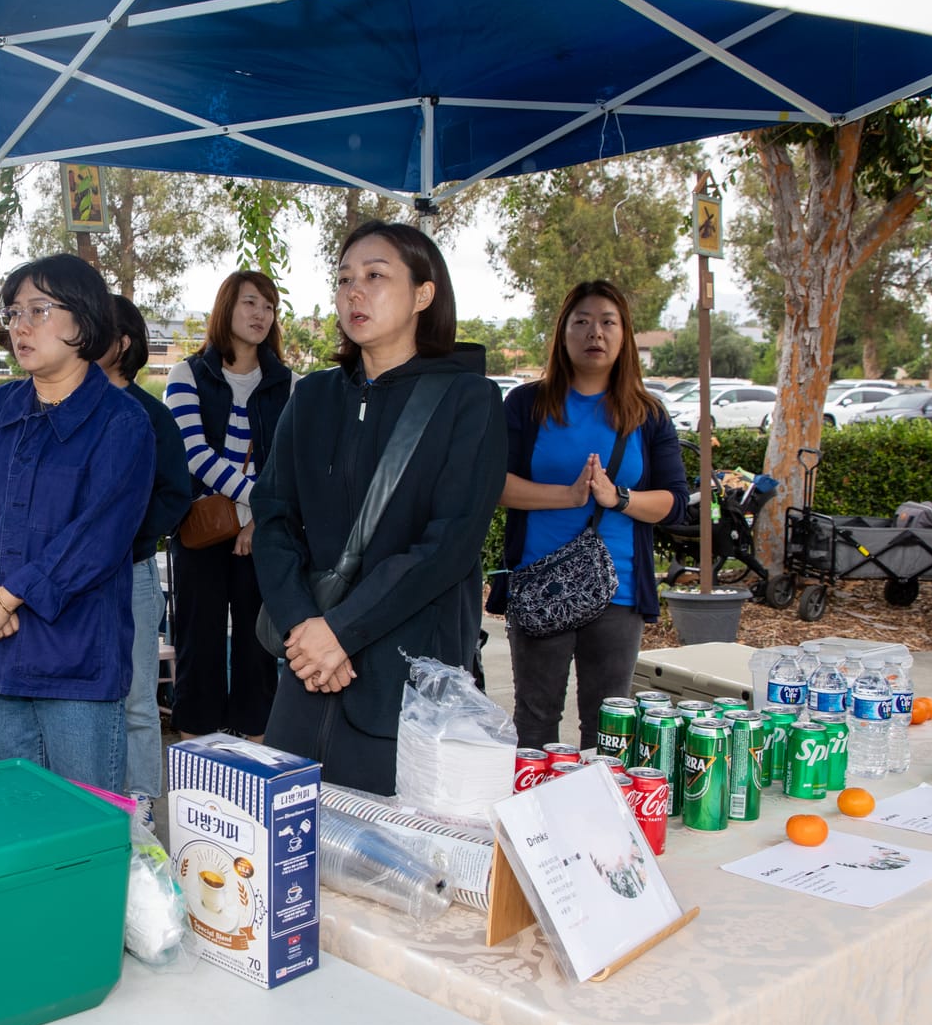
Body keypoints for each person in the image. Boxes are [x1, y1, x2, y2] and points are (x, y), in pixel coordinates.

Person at [253, 222, 505, 793]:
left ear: (423, 293)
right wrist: (304, 629)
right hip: (306, 667)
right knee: (291, 842)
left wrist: (341, 631)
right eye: (343, 279)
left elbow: (449, 543)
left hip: (408, 676)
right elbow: (272, 518)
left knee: (392, 861)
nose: (353, 292)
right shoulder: (312, 397)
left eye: (374, 276)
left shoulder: (470, 400)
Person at [0, 254, 154, 789]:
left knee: (83, 830)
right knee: (9, 824)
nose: (21, 326)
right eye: (13, 313)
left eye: (39, 310)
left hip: (76, 662)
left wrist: (6, 599)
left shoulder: (122, 422)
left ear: (83, 320)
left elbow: (96, 538)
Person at [492, 280, 688, 751]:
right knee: (536, 721)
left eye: (607, 322)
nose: (594, 333)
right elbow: (493, 484)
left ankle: (597, 823)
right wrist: (569, 495)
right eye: (581, 321)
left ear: (624, 337)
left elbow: (675, 503)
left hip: (618, 590)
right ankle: (533, 822)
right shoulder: (527, 404)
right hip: (540, 585)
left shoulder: (648, 414)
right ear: (562, 334)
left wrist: (617, 498)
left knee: (608, 729)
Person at [164, 269, 293, 738]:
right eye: (250, 303)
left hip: (261, 534)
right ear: (226, 308)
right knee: (199, 642)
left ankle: (256, 750)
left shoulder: (287, 382)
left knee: (259, 646)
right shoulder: (188, 374)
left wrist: (259, 520)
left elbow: (287, 461)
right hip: (201, 529)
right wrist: (261, 501)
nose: (261, 314)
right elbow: (194, 453)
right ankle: (197, 754)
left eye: (269, 305)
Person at [99, 296, 193, 799]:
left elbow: (175, 496)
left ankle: (141, 812)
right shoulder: (60, 406)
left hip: (131, 575)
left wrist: (121, 542)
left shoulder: (152, 415)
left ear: (123, 343)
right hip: (67, 585)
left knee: (137, 702)